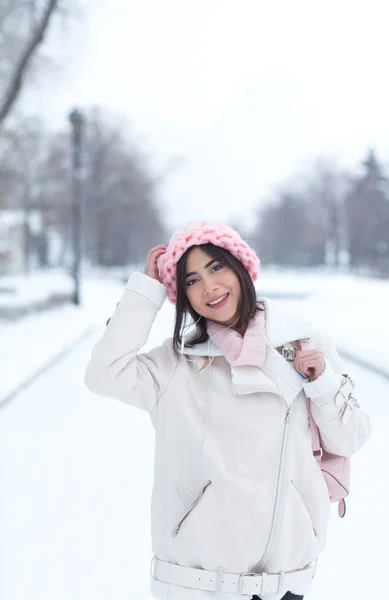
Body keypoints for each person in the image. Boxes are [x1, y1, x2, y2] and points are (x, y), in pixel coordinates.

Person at [85, 220, 371, 600]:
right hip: (197, 585)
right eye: (191, 280)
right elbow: (103, 374)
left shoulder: (302, 345)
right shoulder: (176, 364)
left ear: (240, 266)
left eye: (216, 267)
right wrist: (145, 293)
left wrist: (323, 384)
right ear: (182, 296)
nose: (209, 287)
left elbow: (350, 437)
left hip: (286, 584)